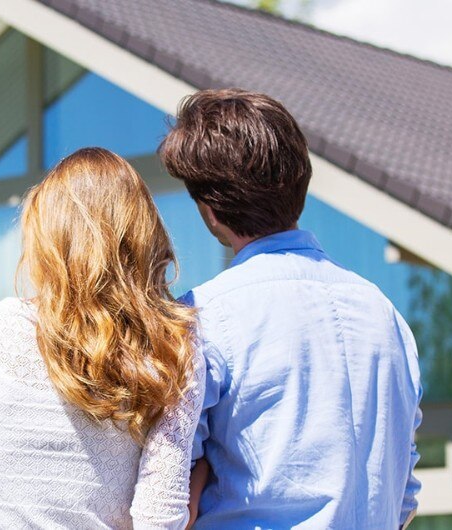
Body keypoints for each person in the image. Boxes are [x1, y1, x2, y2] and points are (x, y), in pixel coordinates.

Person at [158, 89, 422, 529]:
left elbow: (167, 490)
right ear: (299, 179)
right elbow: (403, 495)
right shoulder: (384, 314)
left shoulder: (201, 317)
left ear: (209, 208)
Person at [0, 147, 204, 529]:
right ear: (142, 235)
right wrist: (202, 479)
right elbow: (156, 520)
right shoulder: (173, 344)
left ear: (44, 236)